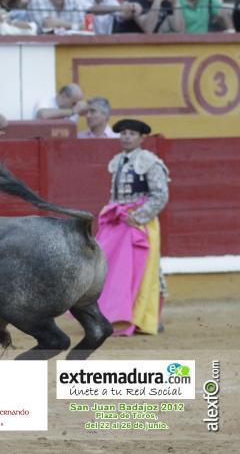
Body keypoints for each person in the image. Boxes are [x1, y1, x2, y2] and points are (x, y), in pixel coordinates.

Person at [97, 118, 169, 336]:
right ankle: (118, 315)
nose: (126, 137)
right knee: (117, 269)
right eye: (123, 133)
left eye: (131, 133)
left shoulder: (150, 161)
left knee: (148, 268)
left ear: (141, 138)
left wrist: (137, 216)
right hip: (120, 223)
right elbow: (115, 197)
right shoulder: (117, 161)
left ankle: (148, 318)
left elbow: (160, 196)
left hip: (141, 224)